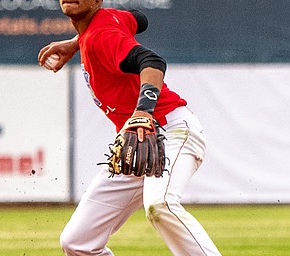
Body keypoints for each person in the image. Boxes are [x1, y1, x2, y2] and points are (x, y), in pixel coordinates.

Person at [38, 1, 222, 255]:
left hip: (170, 129)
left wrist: (143, 111)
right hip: (136, 144)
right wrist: (76, 41)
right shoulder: (102, 24)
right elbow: (140, 18)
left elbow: (152, 61)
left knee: (161, 204)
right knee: (77, 241)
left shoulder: (101, 36)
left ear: (97, 1)